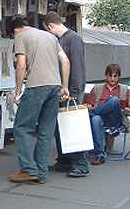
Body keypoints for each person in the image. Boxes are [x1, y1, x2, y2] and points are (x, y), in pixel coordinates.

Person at [8, 17, 70, 184]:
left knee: (22, 127)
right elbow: (65, 61)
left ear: (16, 30)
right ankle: (41, 172)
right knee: (46, 131)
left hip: (37, 86)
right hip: (55, 86)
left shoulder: (21, 36)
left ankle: (28, 169)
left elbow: (21, 64)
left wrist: (18, 89)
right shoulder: (51, 36)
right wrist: (64, 86)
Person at [43, 11, 90, 178]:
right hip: (65, 90)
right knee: (61, 127)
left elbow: (78, 67)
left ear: (50, 26)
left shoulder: (73, 39)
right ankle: (64, 160)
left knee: (72, 127)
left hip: (71, 91)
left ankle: (80, 164)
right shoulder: (66, 39)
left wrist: (75, 92)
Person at [86, 63, 130, 165]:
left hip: (116, 120)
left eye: (115, 76)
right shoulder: (97, 88)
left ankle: (91, 114)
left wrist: (127, 109)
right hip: (101, 119)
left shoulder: (124, 89)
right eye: (110, 75)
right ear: (106, 75)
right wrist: (91, 108)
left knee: (114, 100)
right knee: (96, 119)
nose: (112, 78)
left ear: (119, 77)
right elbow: (89, 104)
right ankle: (100, 155)